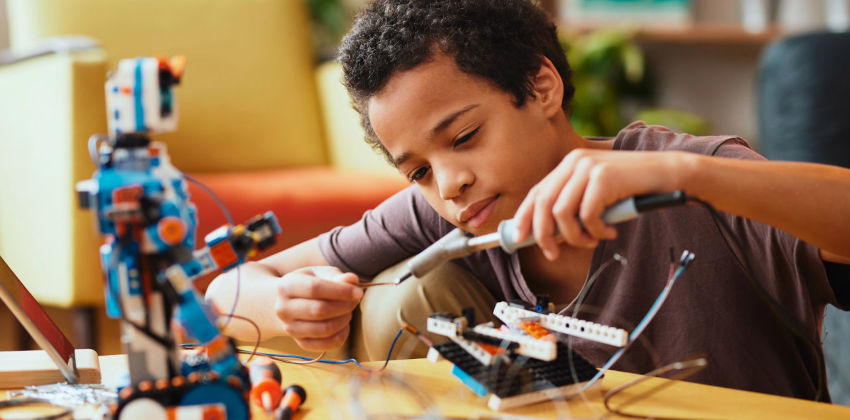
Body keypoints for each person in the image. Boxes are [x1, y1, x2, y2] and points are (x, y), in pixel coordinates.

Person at [207, 0, 850, 401]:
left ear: (541, 86)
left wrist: (690, 174)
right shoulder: (444, 213)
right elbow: (224, 295)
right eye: (418, 171)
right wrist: (284, 303)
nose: (449, 183)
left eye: (464, 137)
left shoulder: (692, 178)